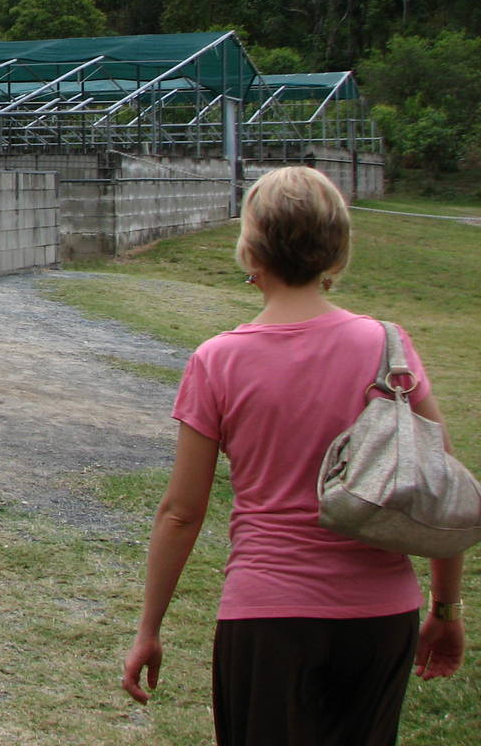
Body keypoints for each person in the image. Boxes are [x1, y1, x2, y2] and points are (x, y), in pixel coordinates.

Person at [121, 165, 466, 744]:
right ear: (336, 249)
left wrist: (149, 629)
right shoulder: (387, 346)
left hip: (267, 616)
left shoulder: (218, 361)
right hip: (380, 617)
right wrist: (447, 609)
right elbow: (441, 486)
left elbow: (182, 512)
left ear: (250, 249)